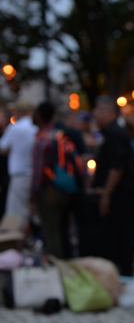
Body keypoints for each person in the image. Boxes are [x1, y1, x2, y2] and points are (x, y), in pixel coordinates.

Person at [88, 96, 134, 276]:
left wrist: (106, 194)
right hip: (117, 194)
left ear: (111, 112)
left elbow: (117, 167)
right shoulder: (109, 133)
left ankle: (122, 272)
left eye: (99, 110)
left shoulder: (115, 134)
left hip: (120, 196)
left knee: (119, 234)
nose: (95, 114)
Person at [30, 101, 69, 258]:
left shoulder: (42, 140)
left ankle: (56, 266)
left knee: (50, 232)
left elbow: (37, 172)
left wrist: (32, 196)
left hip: (48, 192)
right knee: (60, 230)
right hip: (62, 188)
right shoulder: (58, 135)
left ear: (39, 116)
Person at [0, 100, 38, 219]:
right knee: (34, 210)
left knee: (17, 213)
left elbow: (2, 147)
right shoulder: (36, 127)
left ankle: (20, 236)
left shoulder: (15, 128)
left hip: (20, 175)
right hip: (36, 175)